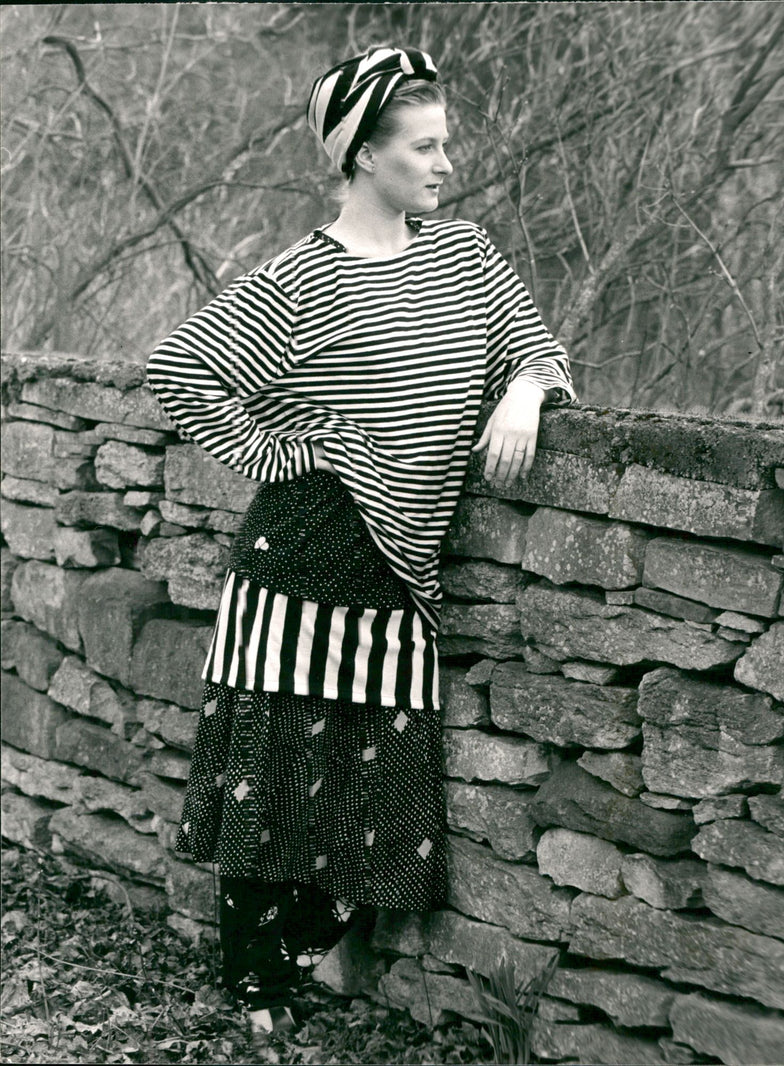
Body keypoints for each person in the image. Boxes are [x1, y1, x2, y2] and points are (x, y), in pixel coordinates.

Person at [147, 44, 575, 1037]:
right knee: (276, 778)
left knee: (376, 773)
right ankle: (257, 987)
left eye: (444, 145)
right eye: (422, 147)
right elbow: (180, 367)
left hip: (398, 565)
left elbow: (534, 343)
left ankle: (297, 969)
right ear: (361, 157)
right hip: (299, 552)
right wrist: (281, 451)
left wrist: (519, 392)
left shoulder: (464, 254)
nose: (442, 164)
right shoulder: (301, 281)